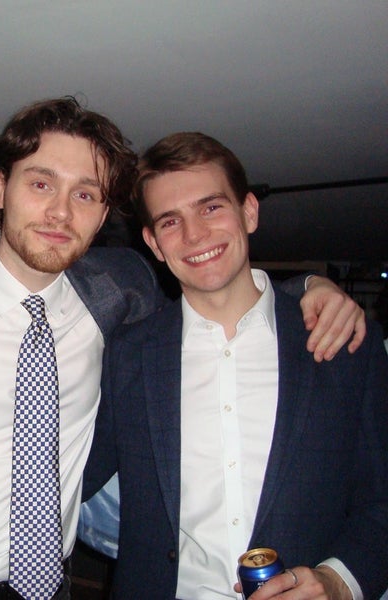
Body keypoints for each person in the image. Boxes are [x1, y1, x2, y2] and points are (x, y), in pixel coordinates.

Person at [0, 97, 366, 600]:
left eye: (86, 194)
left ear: (104, 214)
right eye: (41, 184)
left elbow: (215, 285)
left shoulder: (120, 290)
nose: (60, 211)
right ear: (0, 189)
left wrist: (307, 289)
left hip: (58, 587)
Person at [83, 132, 388, 600]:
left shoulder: (347, 346)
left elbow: (381, 502)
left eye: (211, 207)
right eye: (170, 221)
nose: (195, 235)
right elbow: (67, 473)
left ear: (249, 211)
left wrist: (337, 581)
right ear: (153, 243)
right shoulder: (125, 356)